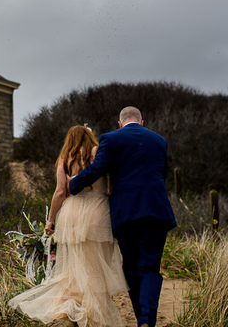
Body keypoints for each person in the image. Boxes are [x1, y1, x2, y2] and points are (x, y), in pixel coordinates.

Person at [9, 125, 128, 327]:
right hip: (97, 210)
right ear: (90, 136)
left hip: (72, 212)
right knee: (97, 266)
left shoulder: (65, 159)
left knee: (75, 265)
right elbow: (113, 181)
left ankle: (73, 309)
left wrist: (50, 220)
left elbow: (60, 192)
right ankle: (95, 315)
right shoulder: (99, 151)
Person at [69, 107, 176, 327]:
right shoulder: (159, 141)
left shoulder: (110, 138)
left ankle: (142, 319)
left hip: (126, 213)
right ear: (142, 122)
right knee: (150, 268)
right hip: (156, 211)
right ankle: (146, 321)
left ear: (120, 123)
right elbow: (162, 173)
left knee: (131, 268)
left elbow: (98, 168)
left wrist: (74, 184)